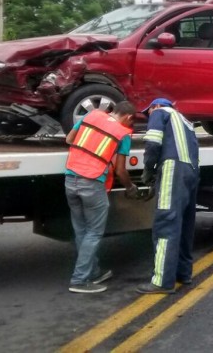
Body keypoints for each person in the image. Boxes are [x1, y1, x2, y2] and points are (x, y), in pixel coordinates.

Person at [65, 101, 138, 294]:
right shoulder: (123, 134)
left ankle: (94, 271)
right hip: (92, 182)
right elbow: (121, 170)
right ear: (129, 118)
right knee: (94, 233)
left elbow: (69, 139)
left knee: (81, 230)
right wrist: (130, 187)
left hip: (70, 178)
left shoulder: (92, 115)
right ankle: (79, 280)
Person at [138, 98, 200, 294]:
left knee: (166, 223)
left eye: (148, 112)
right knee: (184, 225)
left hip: (173, 169)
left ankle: (162, 281)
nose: (148, 115)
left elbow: (153, 144)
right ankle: (184, 273)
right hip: (192, 171)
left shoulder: (160, 113)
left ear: (155, 106)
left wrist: (148, 170)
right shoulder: (185, 122)